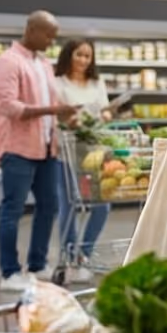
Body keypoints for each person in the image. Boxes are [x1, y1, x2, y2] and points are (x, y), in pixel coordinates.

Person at [0, 11, 80, 291]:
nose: (52, 41)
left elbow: (51, 103)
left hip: (46, 147)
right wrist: (54, 110)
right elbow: (9, 107)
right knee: (12, 209)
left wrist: (66, 117)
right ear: (31, 29)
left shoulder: (43, 64)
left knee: (49, 206)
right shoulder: (7, 62)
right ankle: (9, 273)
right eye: (48, 35)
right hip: (17, 149)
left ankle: (38, 264)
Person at [55, 39, 112, 283]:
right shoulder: (58, 83)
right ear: (68, 55)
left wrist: (107, 115)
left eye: (87, 56)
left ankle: (83, 255)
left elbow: (105, 110)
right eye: (79, 55)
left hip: (94, 150)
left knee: (103, 205)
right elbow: (58, 114)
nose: (83, 60)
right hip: (66, 151)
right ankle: (69, 260)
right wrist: (70, 120)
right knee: (69, 206)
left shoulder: (97, 83)